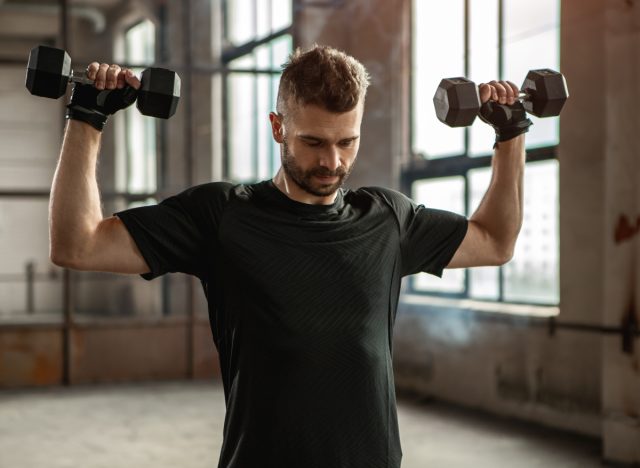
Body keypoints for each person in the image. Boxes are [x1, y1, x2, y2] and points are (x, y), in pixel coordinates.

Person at [49, 45, 529, 468]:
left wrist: (511, 134)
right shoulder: (221, 216)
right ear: (278, 127)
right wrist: (88, 116)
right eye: (314, 142)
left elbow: (495, 241)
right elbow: (78, 244)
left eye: (348, 142)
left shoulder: (387, 219)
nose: (333, 162)